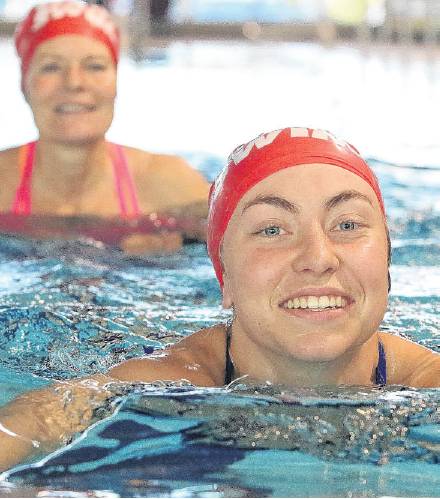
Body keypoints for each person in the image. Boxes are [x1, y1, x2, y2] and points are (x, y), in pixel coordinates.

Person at [0, 126, 439, 471]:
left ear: (387, 260)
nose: (318, 258)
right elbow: (41, 418)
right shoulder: (169, 382)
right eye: (272, 229)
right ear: (224, 277)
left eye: (347, 225)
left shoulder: (427, 382)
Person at [0, 1, 210, 253]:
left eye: (94, 66)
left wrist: (168, 260)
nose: (75, 82)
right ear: (24, 85)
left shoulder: (170, 184)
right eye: (51, 67)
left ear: (115, 82)